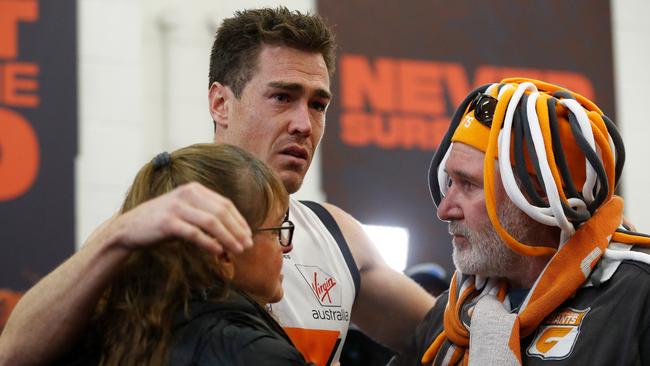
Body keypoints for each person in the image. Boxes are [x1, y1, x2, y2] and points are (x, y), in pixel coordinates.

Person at [0, 7, 434, 366]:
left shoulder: (338, 236)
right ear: (220, 103)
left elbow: (444, 339)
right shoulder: (149, 230)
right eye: (282, 97)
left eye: (318, 104)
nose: (304, 124)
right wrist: (116, 237)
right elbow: (15, 353)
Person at [390, 78, 650, 365]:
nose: (445, 209)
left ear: (540, 194)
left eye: (468, 184)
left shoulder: (638, 297)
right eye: (450, 181)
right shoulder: (453, 313)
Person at [65, 143, 314, 365]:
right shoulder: (255, 354)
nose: (286, 245)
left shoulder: (103, 337)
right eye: (276, 230)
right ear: (223, 252)